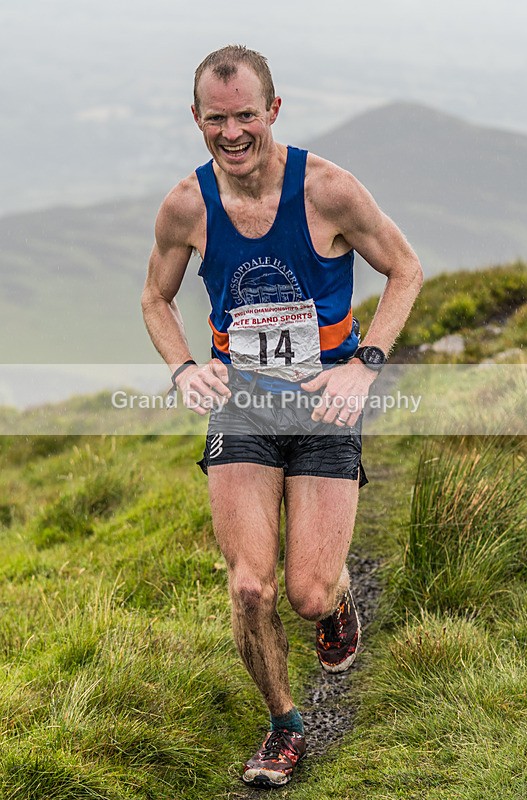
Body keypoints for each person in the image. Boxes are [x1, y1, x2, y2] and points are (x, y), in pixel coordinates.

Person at [141, 45, 423, 788]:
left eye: (244, 117)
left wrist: (363, 365)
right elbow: (155, 298)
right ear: (195, 119)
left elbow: (405, 269)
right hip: (243, 405)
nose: (231, 134)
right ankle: (283, 727)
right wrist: (181, 365)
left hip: (325, 405)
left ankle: (333, 602)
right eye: (215, 119)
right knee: (249, 586)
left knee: (305, 592)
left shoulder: (328, 190)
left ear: (272, 111)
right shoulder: (186, 205)